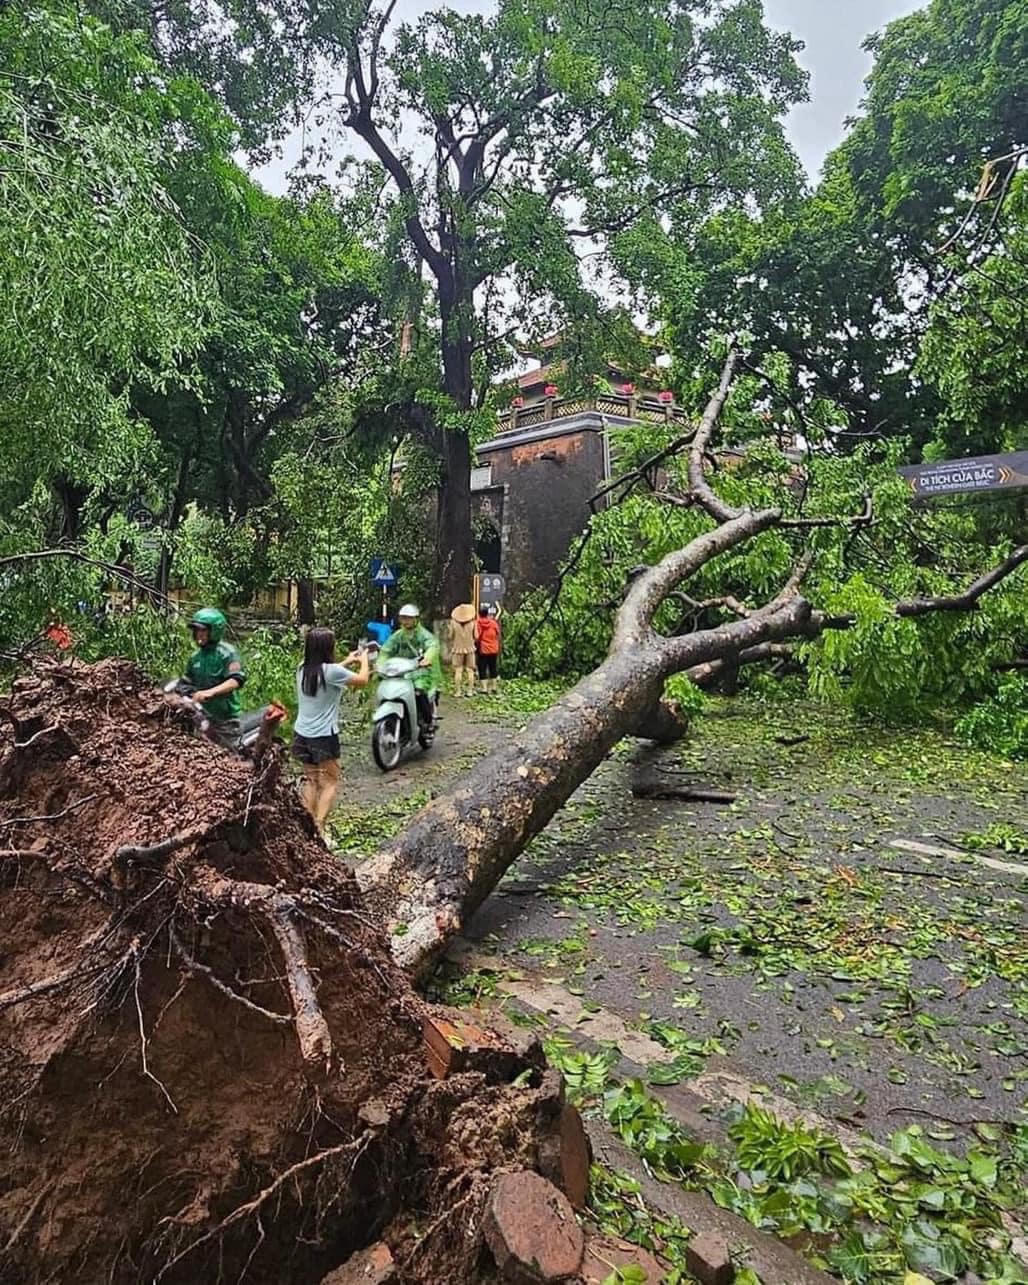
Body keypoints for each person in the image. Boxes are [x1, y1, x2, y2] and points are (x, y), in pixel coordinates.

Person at [292, 628, 370, 832]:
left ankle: (308, 828)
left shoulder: (303, 668)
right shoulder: (333, 672)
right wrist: (364, 661)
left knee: (311, 781)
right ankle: (319, 827)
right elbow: (363, 680)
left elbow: (326, 672)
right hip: (323, 737)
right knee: (329, 783)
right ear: (328, 648)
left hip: (301, 735)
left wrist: (346, 661)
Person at [185, 607, 246, 749]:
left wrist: (209, 692)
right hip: (202, 719)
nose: (199, 634)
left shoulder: (227, 653)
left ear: (215, 631)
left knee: (229, 758)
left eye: (203, 630)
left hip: (225, 721)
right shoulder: (195, 657)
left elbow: (235, 680)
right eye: (196, 631)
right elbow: (186, 682)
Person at [377, 603, 441, 729]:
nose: (405, 621)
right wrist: (380, 663)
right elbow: (386, 650)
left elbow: (432, 645)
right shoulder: (398, 635)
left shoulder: (423, 635)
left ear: (416, 619)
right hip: (401, 670)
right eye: (402, 618)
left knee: (419, 690)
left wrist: (427, 658)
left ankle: (428, 722)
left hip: (421, 671)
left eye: (408, 618)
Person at [449, 603, 477, 697]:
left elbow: (450, 636)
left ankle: (458, 692)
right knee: (470, 671)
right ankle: (470, 691)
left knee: (458, 670)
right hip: (470, 649)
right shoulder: (473, 623)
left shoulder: (453, 623)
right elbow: (476, 636)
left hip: (457, 649)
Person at [475, 605, 501, 694]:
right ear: (487, 613)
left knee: (482, 668)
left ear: (479, 614)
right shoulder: (493, 623)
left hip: (483, 649)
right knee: (493, 667)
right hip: (494, 649)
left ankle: (484, 688)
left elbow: (477, 636)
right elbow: (497, 633)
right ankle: (494, 687)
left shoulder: (478, 623)